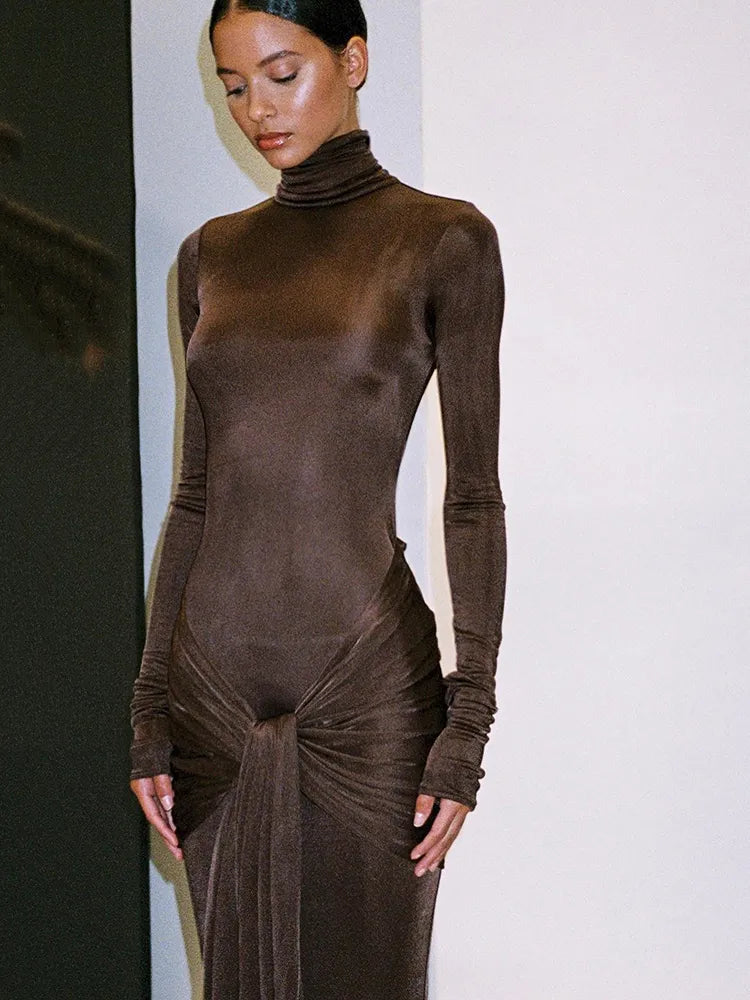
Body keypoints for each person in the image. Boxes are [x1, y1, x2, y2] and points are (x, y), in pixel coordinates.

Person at [128, 1, 507, 997]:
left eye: (282, 74)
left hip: (368, 694)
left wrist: (467, 725)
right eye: (233, 86)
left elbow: (473, 499)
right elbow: (195, 497)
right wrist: (149, 712)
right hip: (208, 699)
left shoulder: (444, 240)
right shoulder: (208, 256)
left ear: (354, 59)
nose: (257, 109)